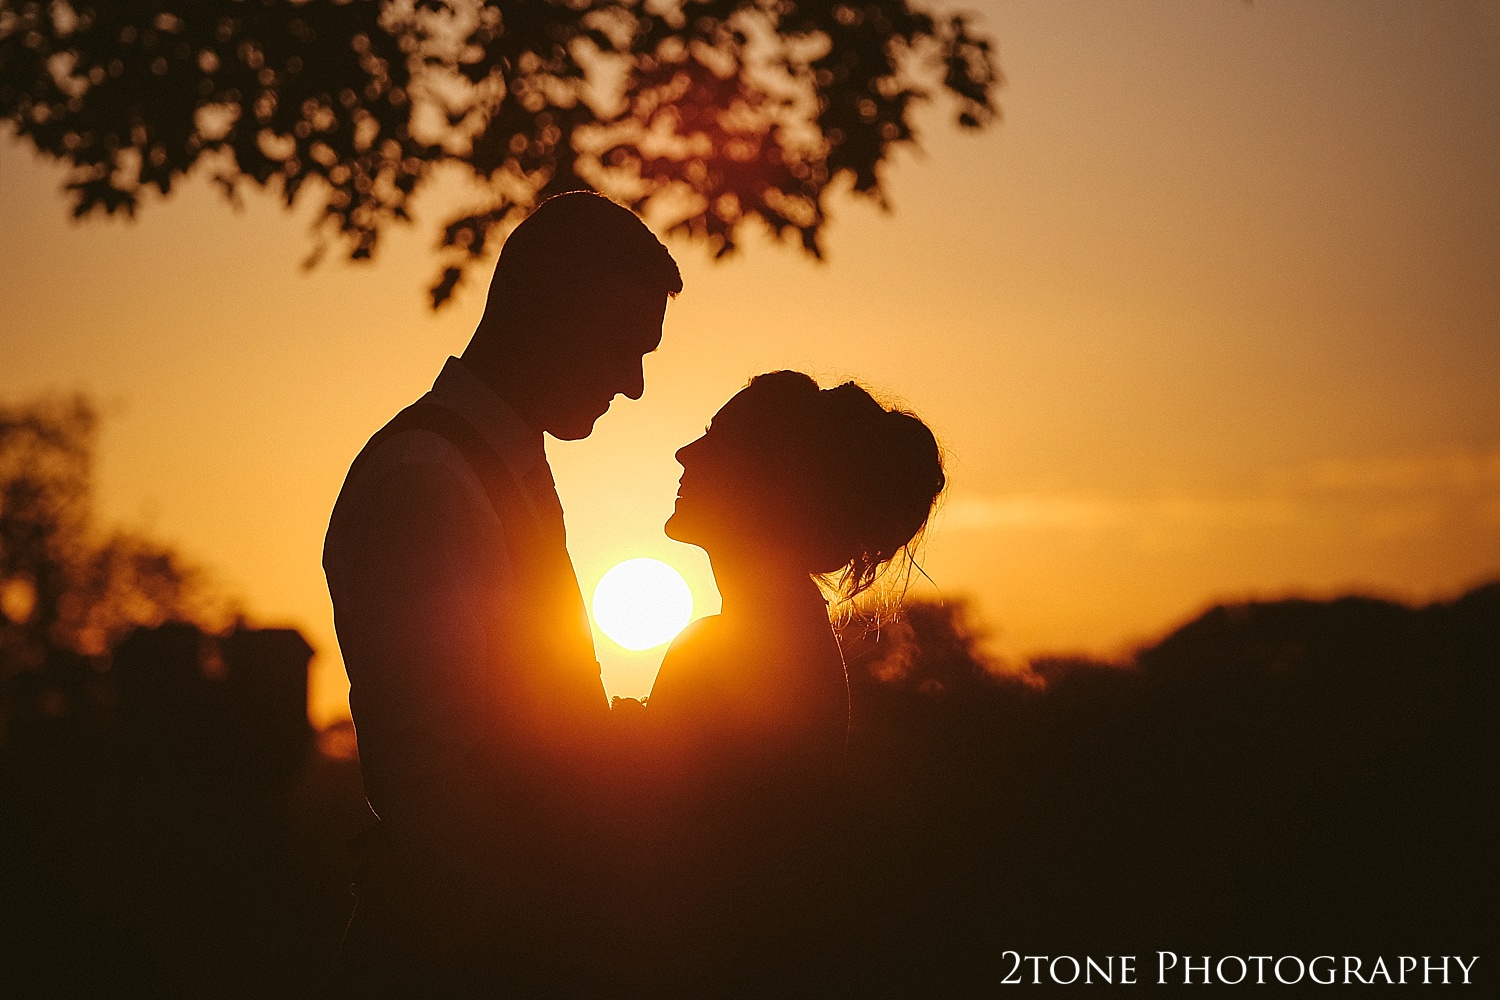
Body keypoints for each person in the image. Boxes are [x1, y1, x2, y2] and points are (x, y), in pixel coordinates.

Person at [322, 191, 681, 993]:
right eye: (621, 347)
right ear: (544, 315)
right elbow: (431, 767)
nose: (634, 385)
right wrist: (554, 936)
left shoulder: (497, 464)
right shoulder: (430, 478)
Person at [617, 370, 946, 996]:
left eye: (718, 438)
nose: (686, 453)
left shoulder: (741, 650)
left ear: (769, 487)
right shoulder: (784, 638)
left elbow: (653, 845)